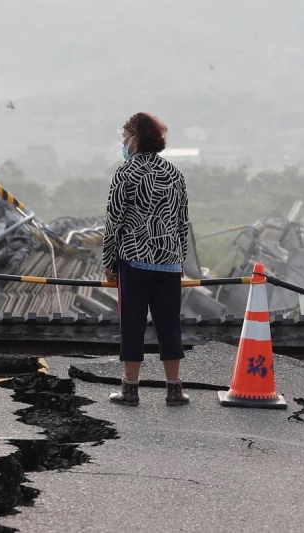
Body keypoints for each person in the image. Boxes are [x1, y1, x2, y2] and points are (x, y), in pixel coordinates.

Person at [102, 112, 190, 407]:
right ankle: (174, 390)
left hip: (134, 261)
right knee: (169, 326)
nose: (123, 142)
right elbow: (182, 223)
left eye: (125, 137)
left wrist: (109, 262)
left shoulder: (125, 173)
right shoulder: (174, 173)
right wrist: (181, 262)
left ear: (136, 138)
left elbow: (114, 221)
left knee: (133, 325)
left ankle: (130, 390)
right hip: (169, 263)